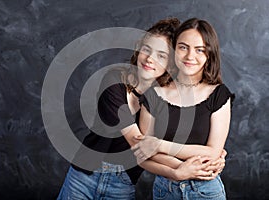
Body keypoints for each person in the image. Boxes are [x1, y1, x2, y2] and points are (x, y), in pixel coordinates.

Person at [57, 18, 225, 200]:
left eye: (161, 55)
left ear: (171, 64)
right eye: (146, 49)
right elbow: (140, 145)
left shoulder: (162, 97)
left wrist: (211, 157)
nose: (150, 59)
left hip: (123, 182)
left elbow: (162, 143)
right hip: (84, 176)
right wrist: (185, 169)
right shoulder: (114, 80)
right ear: (138, 50)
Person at [132, 17, 235, 200]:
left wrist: (159, 145)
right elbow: (142, 154)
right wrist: (179, 170)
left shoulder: (219, 95)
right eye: (183, 47)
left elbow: (213, 152)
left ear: (209, 55)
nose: (190, 56)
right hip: (165, 190)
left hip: (205, 190)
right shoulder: (153, 95)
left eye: (200, 50)